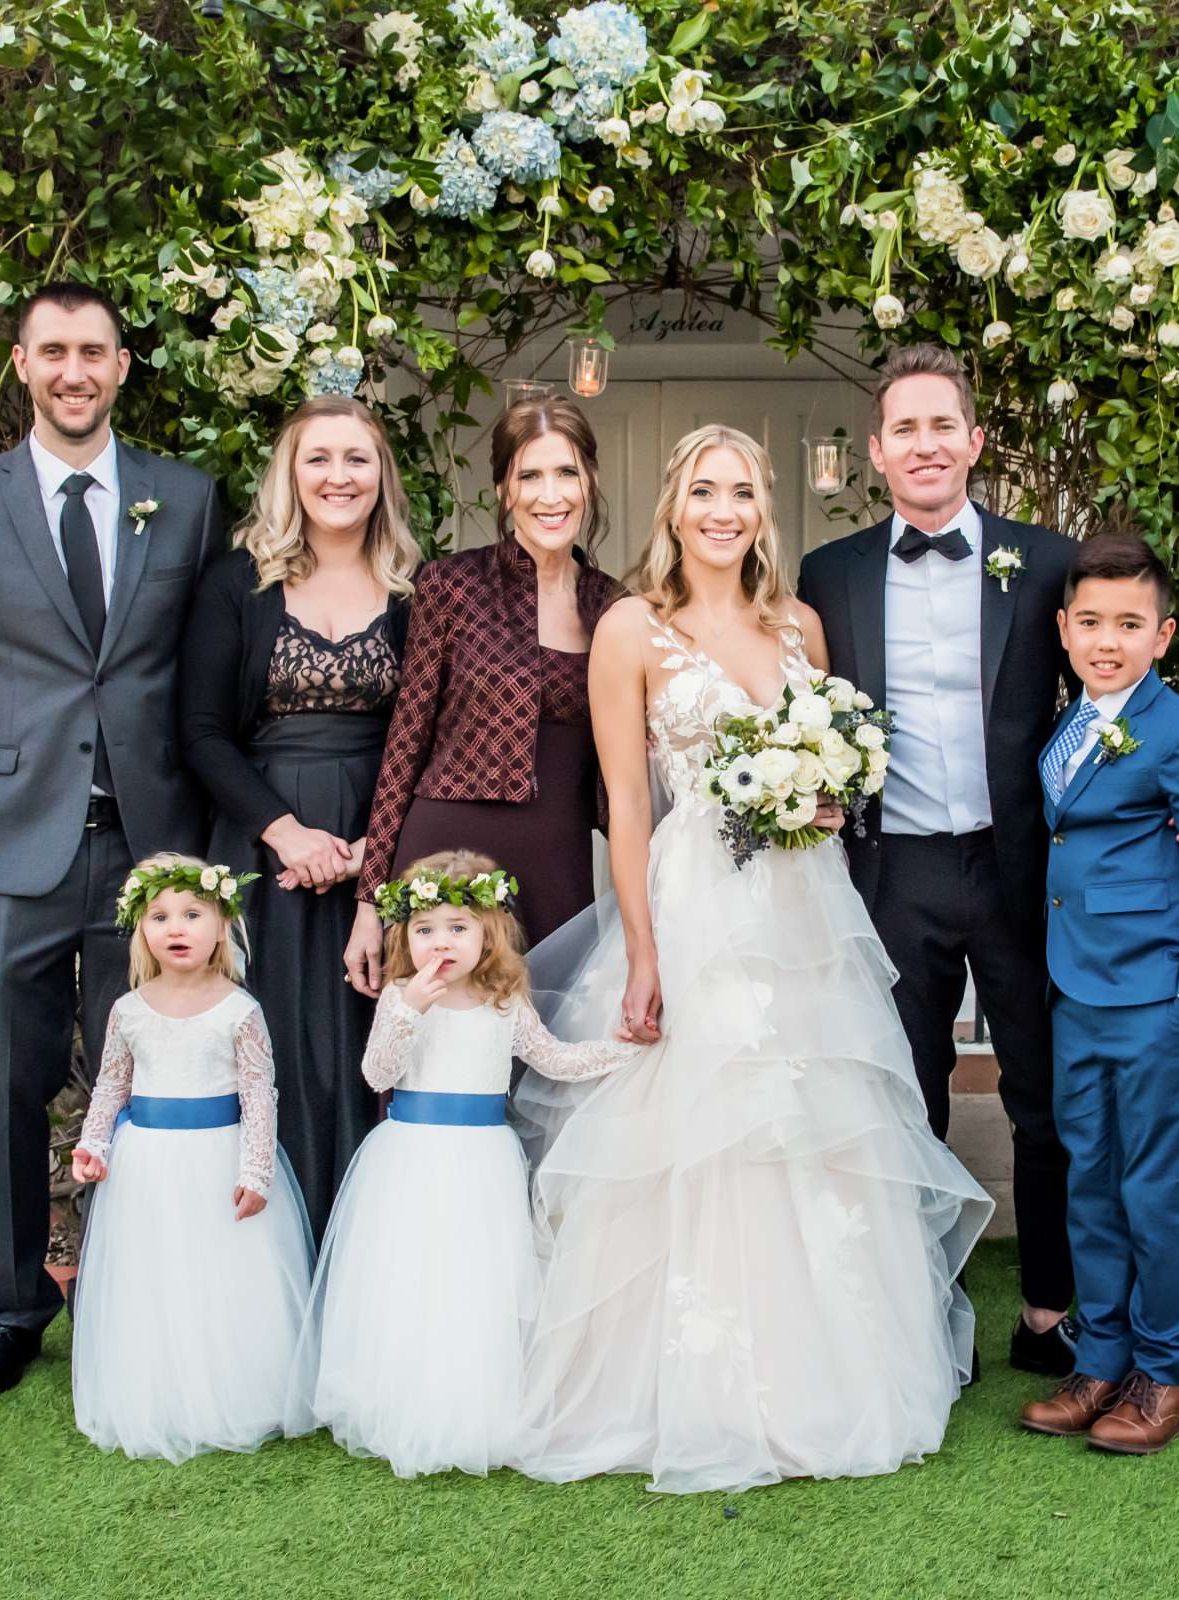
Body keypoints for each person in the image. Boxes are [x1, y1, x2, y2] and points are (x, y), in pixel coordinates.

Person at [513, 425, 993, 1494]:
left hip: (798, 904)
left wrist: (823, 797)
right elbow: (626, 807)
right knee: (693, 1119)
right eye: (702, 492)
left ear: (761, 510)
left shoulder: (801, 627)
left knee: (809, 1124)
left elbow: (830, 770)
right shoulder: (631, 629)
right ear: (673, 509)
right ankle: (682, 1388)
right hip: (690, 902)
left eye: (740, 493)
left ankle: (823, 1376)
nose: (722, 511)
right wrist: (641, 951)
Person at [0, 282, 225, 1399]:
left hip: (152, 855)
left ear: (124, 365)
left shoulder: (184, 500)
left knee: (144, 1082)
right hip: (5, 857)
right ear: (24, 365)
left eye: (94, 351)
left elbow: (205, 680)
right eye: (54, 352)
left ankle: (126, 1296)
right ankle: (11, 1308)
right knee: (3, 1085)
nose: (75, 370)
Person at [797, 344, 1082, 1378]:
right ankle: (923, 1307)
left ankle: (1050, 1308)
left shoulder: (1047, 562)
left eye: (940, 424)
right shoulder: (827, 575)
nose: (924, 444)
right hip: (894, 870)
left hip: (1020, 868)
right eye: (903, 428)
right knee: (904, 1095)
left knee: (1042, 1096)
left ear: (974, 440)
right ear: (877, 451)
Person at [292, 852, 643, 1479]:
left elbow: (553, 1060)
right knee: (411, 1276)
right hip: (411, 1158)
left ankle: (473, 1401)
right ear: (404, 935)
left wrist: (620, 1055)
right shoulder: (401, 995)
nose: (440, 942)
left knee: (476, 1279)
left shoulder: (504, 1001)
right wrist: (409, 1010)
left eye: (457, 927)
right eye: (424, 929)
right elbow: (378, 1074)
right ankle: (401, 1398)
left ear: (489, 932)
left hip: (482, 1160)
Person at [1015, 535, 1179, 1456]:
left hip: (1159, 1000)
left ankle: (1165, 1373)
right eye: (1090, 622)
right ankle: (1102, 1357)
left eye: (1128, 624)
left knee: (1156, 1191)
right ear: (1063, 629)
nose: (1106, 640)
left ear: (1163, 635)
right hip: (1077, 992)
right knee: (1093, 1185)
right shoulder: (1068, 725)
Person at [179, 396, 416, 1235]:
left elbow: (424, 732)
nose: (338, 477)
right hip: (263, 849)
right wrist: (285, 830)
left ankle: (361, 1264)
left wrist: (370, 854)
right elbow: (201, 732)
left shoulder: (413, 588)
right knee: (274, 1051)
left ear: (381, 475)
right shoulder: (237, 580)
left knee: (363, 1052)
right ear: (290, 473)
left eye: (357, 459)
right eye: (318, 458)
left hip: (376, 840)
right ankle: (271, 1257)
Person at [344, 395, 624, 989]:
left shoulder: (614, 607)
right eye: (530, 476)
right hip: (444, 852)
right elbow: (405, 744)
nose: (551, 495)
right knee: (436, 1052)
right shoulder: (452, 585)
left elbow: (624, 770)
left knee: (552, 1052)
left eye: (567, 473)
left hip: (557, 861)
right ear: (503, 490)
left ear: (590, 482)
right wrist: (370, 902)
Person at [69, 855, 313, 1462]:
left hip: (219, 1162)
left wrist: (256, 1170)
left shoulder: (239, 1010)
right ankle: (159, 1394)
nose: (176, 927)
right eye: (159, 916)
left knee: (219, 1276)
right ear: (140, 929)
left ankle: (233, 1392)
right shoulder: (128, 1009)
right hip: (146, 1166)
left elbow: (260, 1096)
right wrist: (93, 1144)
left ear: (222, 924)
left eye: (192, 914)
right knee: (156, 1277)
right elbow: (110, 1087)